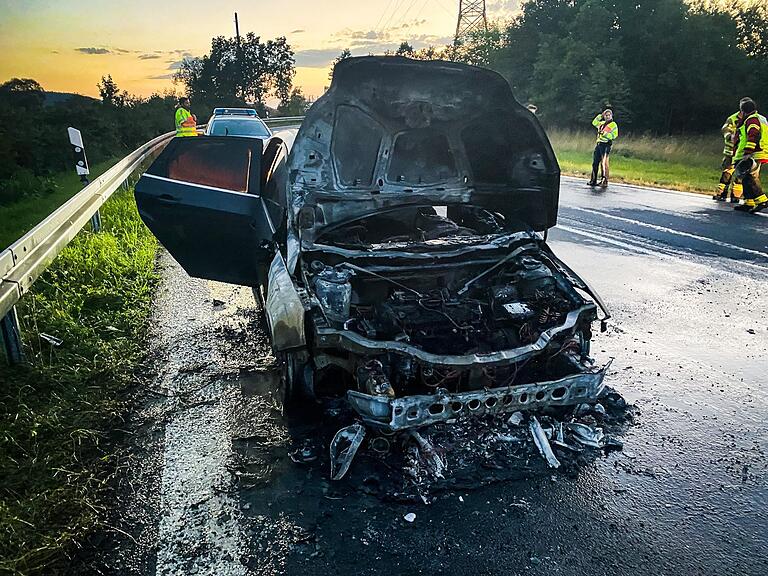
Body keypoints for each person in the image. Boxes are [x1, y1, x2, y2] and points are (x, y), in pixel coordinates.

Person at [732, 97, 768, 214]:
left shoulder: (751, 120)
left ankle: (762, 200)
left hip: (752, 154)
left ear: (743, 110)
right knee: (746, 178)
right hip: (757, 152)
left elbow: (753, 135)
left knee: (750, 178)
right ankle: (749, 202)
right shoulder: (760, 118)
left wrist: (747, 153)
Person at [713, 111, 742, 202]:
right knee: (727, 172)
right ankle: (722, 194)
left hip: (743, 151)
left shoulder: (752, 120)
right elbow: (725, 129)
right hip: (731, 152)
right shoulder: (733, 118)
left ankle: (735, 196)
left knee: (740, 175)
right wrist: (730, 137)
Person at [588, 109, 619, 187]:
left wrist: (604, 133)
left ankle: (604, 181)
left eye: (609, 115)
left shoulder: (613, 125)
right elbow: (594, 122)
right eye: (606, 115)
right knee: (595, 162)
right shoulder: (601, 123)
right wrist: (600, 116)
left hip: (606, 145)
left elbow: (614, 136)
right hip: (599, 144)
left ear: (611, 116)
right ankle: (593, 180)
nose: (607, 116)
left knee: (604, 163)